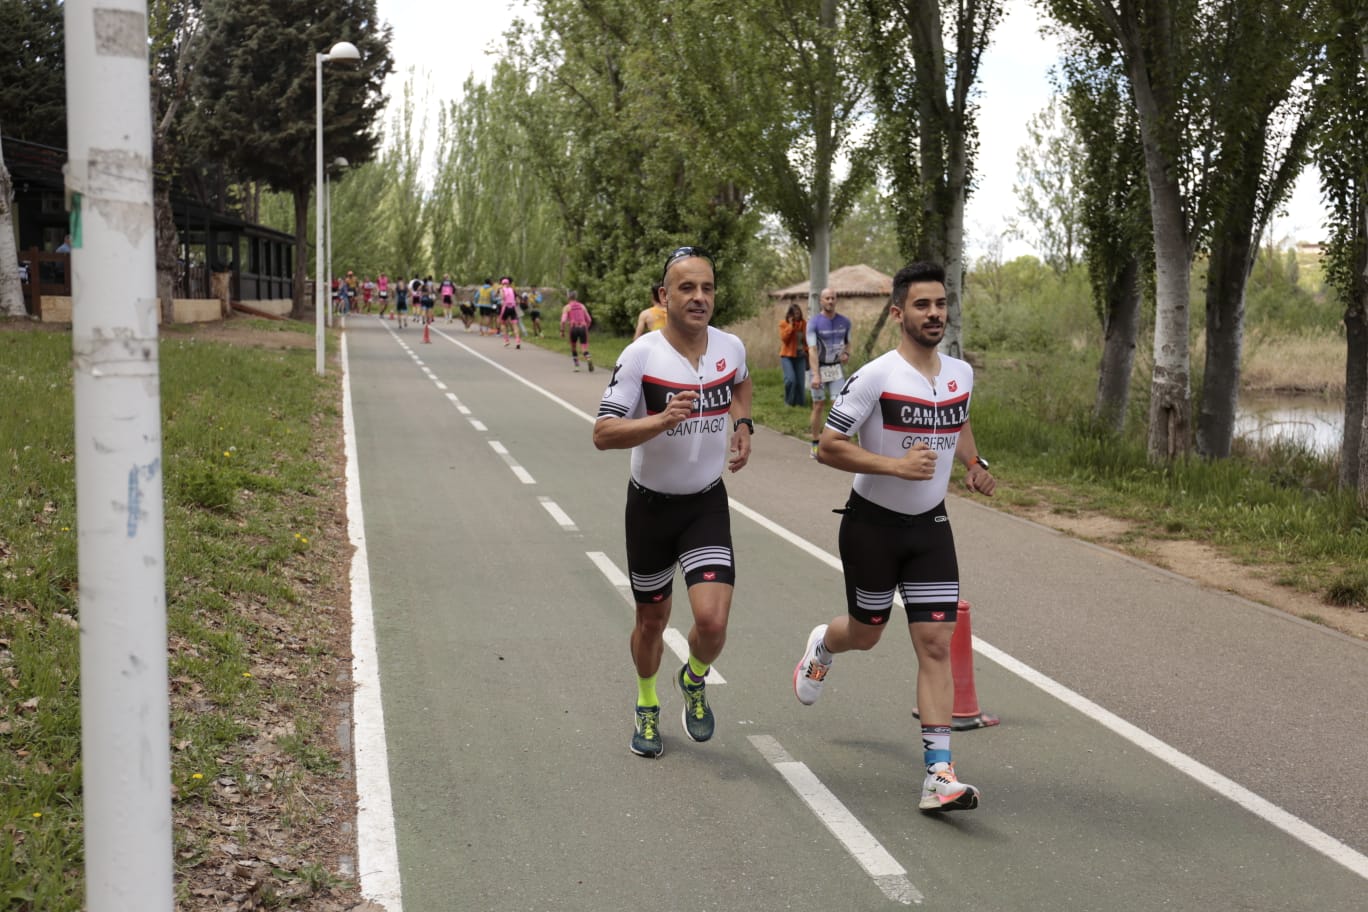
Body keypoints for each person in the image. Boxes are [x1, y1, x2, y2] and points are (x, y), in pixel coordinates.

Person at [791, 261, 996, 813]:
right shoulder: (875, 376)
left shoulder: (961, 374)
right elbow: (828, 446)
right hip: (872, 526)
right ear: (899, 313)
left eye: (941, 304)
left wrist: (974, 463)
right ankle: (823, 645)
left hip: (930, 528)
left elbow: (959, 422)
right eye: (922, 305)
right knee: (866, 633)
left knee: (935, 642)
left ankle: (938, 775)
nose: (934, 314)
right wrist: (895, 466)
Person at [593, 246, 754, 759]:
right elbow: (603, 433)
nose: (699, 297)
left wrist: (743, 423)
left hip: (705, 505)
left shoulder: (730, 347)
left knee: (712, 623)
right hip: (651, 510)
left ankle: (694, 677)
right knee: (652, 622)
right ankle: (646, 704)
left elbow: (741, 383)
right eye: (687, 288)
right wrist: (660, 420)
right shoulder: (641, 355)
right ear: (664, 296)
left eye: (707, 288)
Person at [807, 286, 852, 459]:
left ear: (836, 300)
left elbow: (848, 343)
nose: (830, 301)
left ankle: (834, 442)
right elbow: (812, 350)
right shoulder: (814, 323)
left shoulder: (845, 322)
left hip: (835, 368)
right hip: (818, 367)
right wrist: (816, 374)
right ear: (821, 301)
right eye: (827, 298)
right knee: (818, 405)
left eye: (833, 298)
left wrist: (846, 353)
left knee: (837, 405)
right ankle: (815, 442)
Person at [779, 302, 808, 407]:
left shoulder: (804, 324)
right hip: (787, 356)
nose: (797, 315)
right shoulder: (784, 324)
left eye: (798, 313)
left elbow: (807, 340)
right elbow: (784, 339)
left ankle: (799, 404)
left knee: (800, 381)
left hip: (800, 356)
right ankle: (788, 402)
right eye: (795, 313)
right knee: (790, 380)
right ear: (790, 315)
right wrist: (791, 326)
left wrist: (806, 351)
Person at [559, 291, 593, 371]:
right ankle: (588, 357)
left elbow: (563, 321)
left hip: (573, 328)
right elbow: (589, 320)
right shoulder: (582, 306)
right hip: (583, 327)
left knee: (573, 347)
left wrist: (562, 331)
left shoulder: (567, 307)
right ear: (576, 297)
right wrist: (586, 328)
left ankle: (577, 366)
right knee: (584, 348)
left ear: (568, 298)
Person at [497, 277, 522, 348]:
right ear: (508, 283)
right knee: (515, 325)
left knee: (502, 323)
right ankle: (518, 341)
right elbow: (518, 301)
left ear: (502, 283)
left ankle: (506, 340)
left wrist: (501, 292)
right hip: (513, 308)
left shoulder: (501, 289)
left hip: (505, 307)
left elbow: (502, 297)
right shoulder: (512, 290)